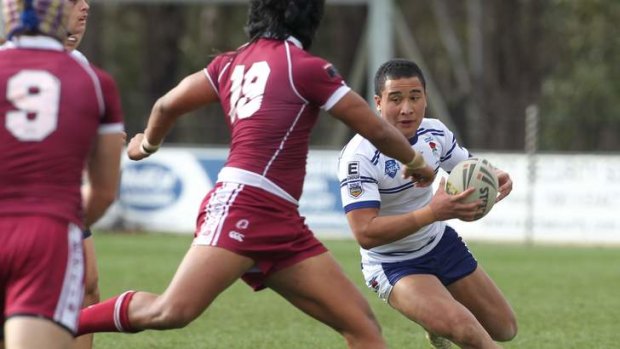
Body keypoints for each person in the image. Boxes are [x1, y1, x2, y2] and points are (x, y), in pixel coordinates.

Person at [76, 1, 436, 348]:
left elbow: (167, 104)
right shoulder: (306, 68)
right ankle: (57, 320)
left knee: (363, 329)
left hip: (281, 220)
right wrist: (417, 162)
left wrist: (147, 144)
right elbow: (377, 129)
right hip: (245, 205)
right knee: (171, 310)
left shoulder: (230, 63)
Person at [337, 58, 517, 349]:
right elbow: (365, 234)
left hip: (440, 244)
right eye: (395, 99)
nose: (407, 108)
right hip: (392, 263)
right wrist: (432, 212)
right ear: (378, 103)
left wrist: (491, 174)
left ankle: (438, 328)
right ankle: (444, 323)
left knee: (505, 328)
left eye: (414, 97)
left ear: (425, 99)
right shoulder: (359, 157)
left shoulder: (435, 133)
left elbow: (466, 167)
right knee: (467, 330)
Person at [0, 0, 125, 348]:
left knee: (90, 286)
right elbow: (103, 192)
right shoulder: (94, 80)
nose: (85, 8)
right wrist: (61, 220)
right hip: (49, 228)